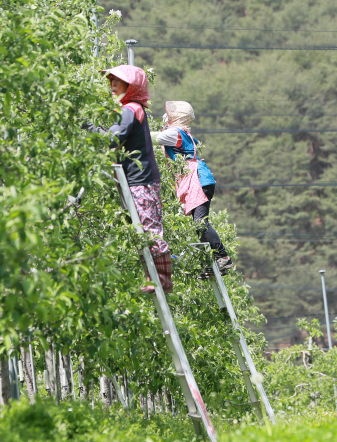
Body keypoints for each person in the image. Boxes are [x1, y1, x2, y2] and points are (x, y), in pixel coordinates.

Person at [82, 65, 172, 294]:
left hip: (140, 180)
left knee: (149, 229)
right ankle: (153, 279)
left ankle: (160, 280)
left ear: (131, 86)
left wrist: (88, 127)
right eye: (110, 82)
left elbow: (112, 140)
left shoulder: (130, 110)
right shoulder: (132, 110)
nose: (112, 86)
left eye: (117, 82)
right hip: (136, 178)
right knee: (140, 230)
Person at [150, 101, 233, 278]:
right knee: (196, 225)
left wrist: (130, 133)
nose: (166, 117)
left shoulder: (175, 133)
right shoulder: (183, 134)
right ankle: (211, 261)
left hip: (197, 179)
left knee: (200, 223)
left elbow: (153, 138)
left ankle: (223, 258)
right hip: (199, 178)